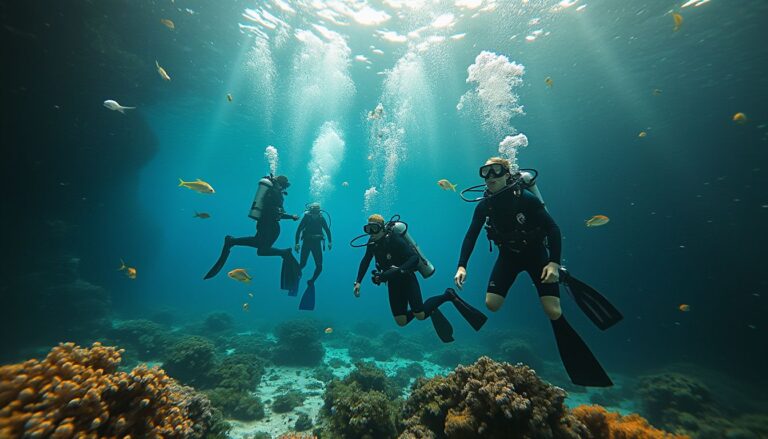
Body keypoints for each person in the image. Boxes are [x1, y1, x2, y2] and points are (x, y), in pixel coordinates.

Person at [454, 157, 618, 386]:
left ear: (507, 175)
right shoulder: (484, 205)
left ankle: (562, 275)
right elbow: (471, 235)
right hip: (508, 256)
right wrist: (462, 265)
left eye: (496, 171)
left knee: (552, 310)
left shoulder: (526, 199)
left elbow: (552, 228)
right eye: (485, 172)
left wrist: (552, 263)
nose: (490, 177)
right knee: (492, 304)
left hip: (536, 255)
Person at [353, 214, 487, 343]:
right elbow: (365, 260)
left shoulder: (394, 239)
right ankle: (428, 308)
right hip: (393, 283)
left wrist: (395, 272)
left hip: (407, 278)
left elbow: (414, 258)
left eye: (374, 228)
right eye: (368, 229)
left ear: (382, 227)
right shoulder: (372, 243)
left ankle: (448, 295)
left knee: (420, 315)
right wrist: (358, 281)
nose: (371, 233)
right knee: (401, 322)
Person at [204, 175, 301, 294]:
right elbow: (273, 211)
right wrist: (287, 215)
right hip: (269, 225)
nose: (285, 188)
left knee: (261, 248)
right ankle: (284, 252)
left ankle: (232, 241)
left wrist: (289, 216)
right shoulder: (275, 192)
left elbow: (274, 211)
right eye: (285, 186)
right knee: (263, 249)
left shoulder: (274, 191)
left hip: (266, 224)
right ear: (281, 184)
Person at [294, 202, 332, 310]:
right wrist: (296, 243)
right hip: (307, 243)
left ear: (319, 211)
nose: (315, 213)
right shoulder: (306, 217)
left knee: (319, 266)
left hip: (316, 244)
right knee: (302, 264)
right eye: (313, 211)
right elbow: (299, 230)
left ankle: (311, 281)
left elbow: (327, 230)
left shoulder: (321, 218)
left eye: (316, 211)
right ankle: (295, 274)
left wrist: (330, 242)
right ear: (310, 211)